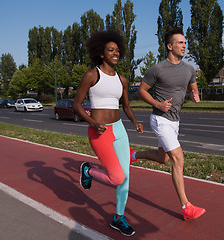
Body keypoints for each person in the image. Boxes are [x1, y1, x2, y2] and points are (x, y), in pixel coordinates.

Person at [73, 30, 143, 236]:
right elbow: (77, 105)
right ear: (101, 53)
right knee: (117, 177)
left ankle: (118, 218)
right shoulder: (92, 75)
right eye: (111, 50)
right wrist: (93, 122)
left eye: (118, 50)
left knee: (126, 177)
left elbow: (126, 107)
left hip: (119, 129)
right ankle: (88, 171)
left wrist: (135, 122)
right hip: (99, 132)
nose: (116, 53)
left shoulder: (122, 80)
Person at [131, 28, 206, 221]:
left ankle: (134, 155)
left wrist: (194, 94)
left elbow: (192, 86)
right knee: (178, 159)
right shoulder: (157, 69)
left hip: (175, 121)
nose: (184, 45)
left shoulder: (189, 69)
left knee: (163, 158)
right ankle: (186, 207)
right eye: (180, 42)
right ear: (169, 46)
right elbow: (141, 92)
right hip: (160, 119)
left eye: (185, 42)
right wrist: (157, 104)